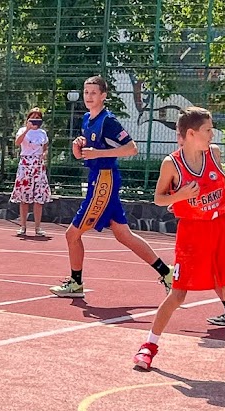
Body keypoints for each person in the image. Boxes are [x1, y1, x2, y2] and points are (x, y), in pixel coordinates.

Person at [133, 106, 225, 377]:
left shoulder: (213, 155)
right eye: (208, 130)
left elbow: (223, 182)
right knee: (177, 294)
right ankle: (149, 346)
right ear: (191, 133)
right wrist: (182, 194)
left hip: (220, 228)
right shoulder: (171, 164)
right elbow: (159, 199)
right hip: (191, 232)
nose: (213, 134)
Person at [50, 76, 173, 298]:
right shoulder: (87, 119)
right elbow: (84, 155)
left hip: (104, 180)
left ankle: (76, 283)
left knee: (72, 235)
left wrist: (99, 153)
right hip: (96, 177)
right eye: (86, 92)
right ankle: (166, 273)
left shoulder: (108, 121)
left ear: (104, 96)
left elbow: (131, 149)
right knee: (123, 234)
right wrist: (78, 148)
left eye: (94, 93)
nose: (89, 97)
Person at [10, 108, 51, 237]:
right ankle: (23, 226)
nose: (35, 120)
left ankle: (38, 227)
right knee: (24, 198)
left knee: (39, 198)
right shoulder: (22, 131)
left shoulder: (42, 133)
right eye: (32, 117)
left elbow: (45, 148)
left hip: (38, 165)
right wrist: (27, 129)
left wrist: (44, 155)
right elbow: (17, 143)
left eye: (37, 118)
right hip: (25, 164)